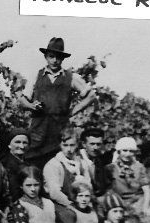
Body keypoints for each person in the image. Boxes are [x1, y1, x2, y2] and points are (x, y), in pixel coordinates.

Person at [19, 37, 95, 169]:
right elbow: (22, 100)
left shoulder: (71, 77)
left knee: (60, 166)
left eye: (58, 57)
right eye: (51, 56)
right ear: (46, 57)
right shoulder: (36, 76)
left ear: (63, 59)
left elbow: (91, 95)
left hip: (59, 131)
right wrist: (31, 106)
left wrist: (73, 111)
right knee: (33, 165)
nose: (55, 60)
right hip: (38, 130)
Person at [43, 127, 92, 223]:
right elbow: (54, 193)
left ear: (77, 145)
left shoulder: (81, 163)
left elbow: (87, 185)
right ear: (60, 145)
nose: (69, 149)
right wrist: (71, 204)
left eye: (72, 145)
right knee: (70, 216)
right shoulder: (54, 164)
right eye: (65, 145)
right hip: (60, 203)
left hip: (80, 200)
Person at [0, 127, 31, 201]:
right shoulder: (5, 164)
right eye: (17, 142)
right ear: (9, 145)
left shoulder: (28, 163)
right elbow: (13, 193)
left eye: (25, 143)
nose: (22, 146)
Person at [78, 127, 111, 198]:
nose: (95, 147)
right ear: (84, 144)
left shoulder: (100, 161)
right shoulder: (76, 161)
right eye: (92, 144)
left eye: (98, 144)